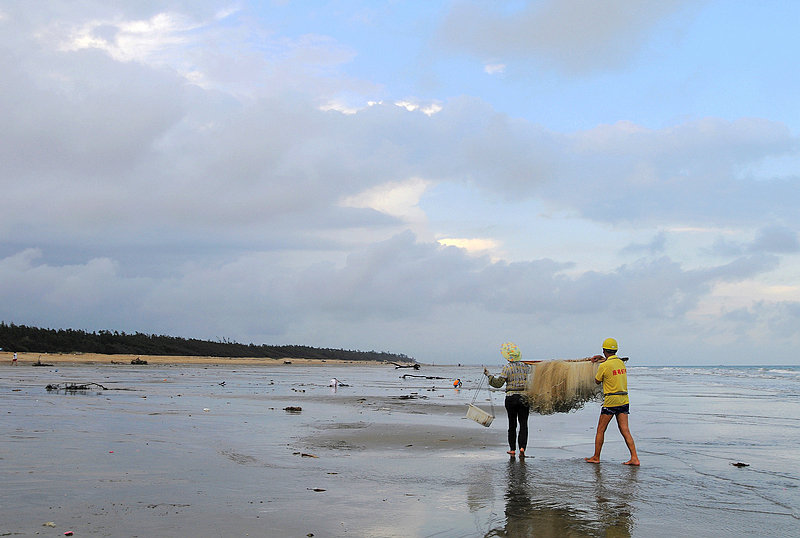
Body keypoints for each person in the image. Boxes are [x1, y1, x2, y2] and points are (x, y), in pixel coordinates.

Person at [585, 338, 640, 466]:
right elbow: (612, 363)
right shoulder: (621, 363)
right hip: (624, 399)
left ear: (604, 350)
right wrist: (601, 358)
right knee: (625, 430)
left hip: (611, 401)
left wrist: (599, 362)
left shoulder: (604, 365)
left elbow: (597, 381)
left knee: (600, 429)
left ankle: (596, 457)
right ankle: (634, 458)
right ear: (616, 350)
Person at [484, 343, 532, 457]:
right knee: (523, 424)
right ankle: (522, 448)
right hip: (524, 398)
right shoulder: (527, 367)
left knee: (512, 424)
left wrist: (488, 375)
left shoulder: (507, 368)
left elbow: (498, 384)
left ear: (508, 357)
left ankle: (512, 449)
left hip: (511, 398)